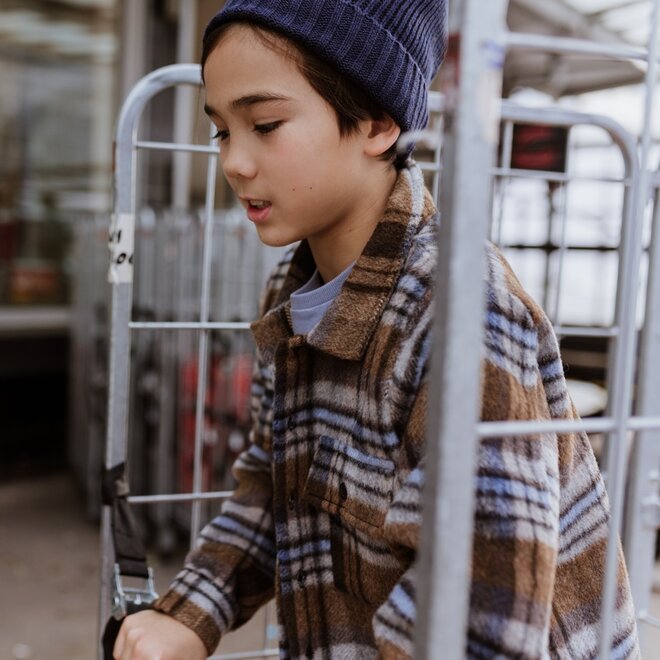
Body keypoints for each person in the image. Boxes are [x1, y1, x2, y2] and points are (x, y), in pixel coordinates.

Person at [113, 1, 641, 658]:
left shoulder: (462, 311)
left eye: (266, 124)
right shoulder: (293, 285)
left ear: (379, 122)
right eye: (222, 131)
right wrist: (191, 613)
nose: (234, 162)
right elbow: (270, 485)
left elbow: (484, 610)